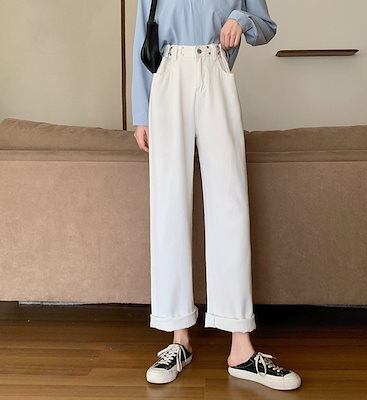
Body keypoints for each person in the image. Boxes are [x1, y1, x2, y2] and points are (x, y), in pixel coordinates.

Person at [132, 0, 301, 391]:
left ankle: (241, 348)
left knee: (230, 206)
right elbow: (144, 34)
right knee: (169, 206)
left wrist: (239, 20)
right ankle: (178, 338)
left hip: (215, 68)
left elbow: (266, 26)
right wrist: (141, 113)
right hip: (167, 74)